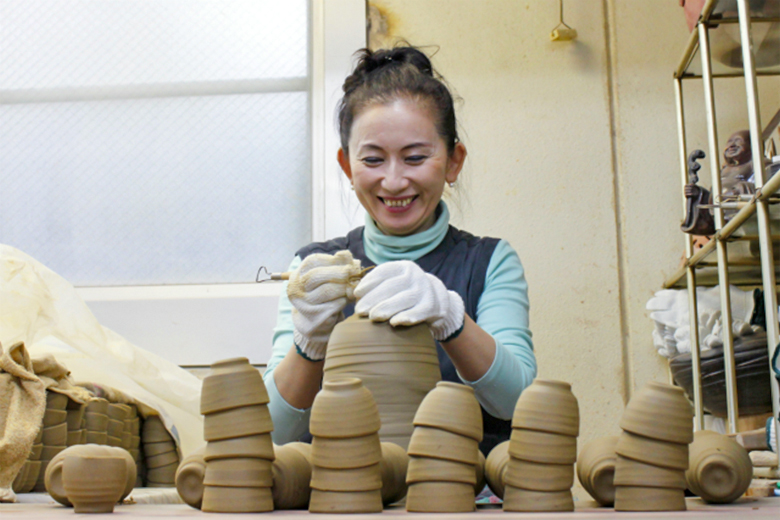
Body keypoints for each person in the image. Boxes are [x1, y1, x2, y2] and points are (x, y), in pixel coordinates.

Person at [263, 46, 536, 454]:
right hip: (343, 493)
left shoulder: (489, 262)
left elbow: (520, 403)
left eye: (415, 158)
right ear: (346, 166)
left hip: (455, 492)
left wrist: (450, 317)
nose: (393, 181)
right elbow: (271, 432)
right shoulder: (313, 269)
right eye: (372, 160)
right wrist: (310, 344)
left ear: (453, 161)